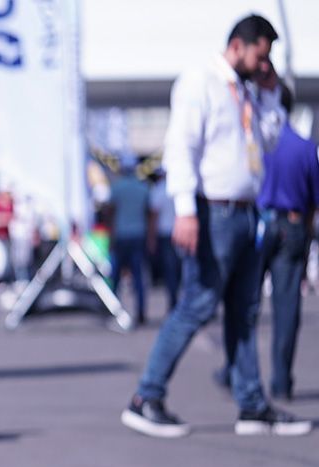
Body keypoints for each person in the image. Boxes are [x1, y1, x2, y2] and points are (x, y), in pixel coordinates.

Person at [121, 14, 310, 438]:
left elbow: (270, 140)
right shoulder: (201, 81)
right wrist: (185, 210)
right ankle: (145, 396)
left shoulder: (248, 93)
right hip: (213, 212)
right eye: (261, 55)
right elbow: (181, 147)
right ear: (239, 46)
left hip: (246, 211)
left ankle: (252, 404)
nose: (264, 64)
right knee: (198, 303)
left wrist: (271, 93)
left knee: (243, 310)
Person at [251, 79, 317, 402]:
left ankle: (238, 372)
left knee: (245, 303)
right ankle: (280, 381)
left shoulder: (257, 145)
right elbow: (313, 203)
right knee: (287, 308)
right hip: (292, 227)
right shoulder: (305, 147)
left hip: (259, 225)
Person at [108, 159, 151, 325]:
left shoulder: (117, 188)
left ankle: (113, 311)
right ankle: (141, 312)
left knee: (116, 277)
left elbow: (110, 215)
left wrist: (111, 239)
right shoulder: (143, 188)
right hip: (138, 236)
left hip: (120, 236)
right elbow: (149, 215)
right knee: (139, 278)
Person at [147, 168, 180, 311]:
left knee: (170, 269)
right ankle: (180, 301)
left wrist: (151, 238)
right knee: (181, 269)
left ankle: (174, 300)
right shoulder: (178, 187)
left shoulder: (158, 190)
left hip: (166, 234)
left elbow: (153, 217)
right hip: (179, 232)